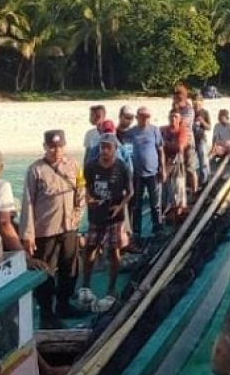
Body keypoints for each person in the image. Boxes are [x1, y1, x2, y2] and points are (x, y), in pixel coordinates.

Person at [20, 130, 85, 327]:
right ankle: (47, 314)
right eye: (52, 147)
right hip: (45, 231)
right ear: (45, 147)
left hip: (69, 228)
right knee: (45, 272)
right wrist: (27, 235)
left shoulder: (74, 165)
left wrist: (77, 215)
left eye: (59, 146)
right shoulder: (35, 170)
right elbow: (28, 203)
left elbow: (81, 190)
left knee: (70, 267)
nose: (56, 151)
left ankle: (64, 305)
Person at [80, 132, 133, 301]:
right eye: (102, 147)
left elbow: (130, 191)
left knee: (114, 251)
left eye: (108, 147)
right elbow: (83, 186)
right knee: (90, 249)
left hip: (114, 217)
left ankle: (111, 287)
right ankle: (85, 285)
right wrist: (88, 198)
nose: (105, 151)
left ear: (115, 149)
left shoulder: (122, 167)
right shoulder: (90, 166)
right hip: (95, 215)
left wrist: (121, 206)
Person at [127, 106, 164, 244]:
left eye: (148, 116)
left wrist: (163, 168)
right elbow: (123, 146)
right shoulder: (131, 132)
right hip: (137, 174)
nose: (146, 119)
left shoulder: (155, 130)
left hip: (153, 172)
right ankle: (136, 231)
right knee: (137, 204)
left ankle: (157, 228)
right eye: (143, 116)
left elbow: (160, 150)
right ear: (137, 118)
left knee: (155, 203)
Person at [160, 110, 190, 223]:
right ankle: (167, 212)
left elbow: (179, 147)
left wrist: (165, 145)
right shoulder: (163, 130)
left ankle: (178, 212)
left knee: (178, 188)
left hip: (177, 164)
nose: (173, 119)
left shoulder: (182, 131)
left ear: (179, 119)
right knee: (166, 189)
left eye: (176, 117)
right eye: (172, 116)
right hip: (165, 163)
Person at [172, 84, 199, 194]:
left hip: (188, 140)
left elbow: (182, 124)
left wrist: (177, 113)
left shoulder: (189, 109)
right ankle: (182, 191)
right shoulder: (174, 110)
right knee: (180, 167)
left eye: (178, 98)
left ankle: (194, 191)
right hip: (178, 141)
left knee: (190, 168)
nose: (176, 100)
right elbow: (172, 125)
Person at [191, 93, 212, 187]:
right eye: (194, 103)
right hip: (191, 140)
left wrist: (202, 121)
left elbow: (209, 127)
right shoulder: (190, 112)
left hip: (201, 140)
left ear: (202, 103)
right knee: (190, 162)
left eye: (198, 103)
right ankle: (192, 182)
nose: (196, 105)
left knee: (203, 161)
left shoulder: (205, 112)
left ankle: (205, 182)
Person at [115, 106, 137, 175]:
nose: (129, 121)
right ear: (120, 116)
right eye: (127, 118)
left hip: (133, 169)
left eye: (131, 118)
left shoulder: (134, 133)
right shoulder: (113, 133)